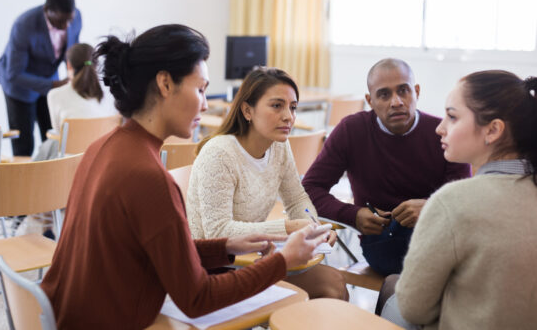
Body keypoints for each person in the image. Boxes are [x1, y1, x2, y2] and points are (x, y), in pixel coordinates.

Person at [40, 25, 326, 329]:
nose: (204, 103)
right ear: (165, 83)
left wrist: (227, 247)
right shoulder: (148, 177)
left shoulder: (104, 148)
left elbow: (159, 253)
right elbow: (197, 298)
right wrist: (282, 261)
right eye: (200, 89)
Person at [380, 70, 537, 330]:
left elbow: (413, 308)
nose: (440, 128)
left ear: (493, 130)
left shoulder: (451, 202)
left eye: (452, 117)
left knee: (394, 297)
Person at [187, 67, 348, 300]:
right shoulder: (219, 153)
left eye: (293, 107)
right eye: (277, 105)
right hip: (216, 267)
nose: (288, 116)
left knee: (335, 281)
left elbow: (297, 200)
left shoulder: (279, 145)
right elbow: (217, 233)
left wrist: (313, 227)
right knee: (330, 287)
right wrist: (287, 228)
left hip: (253, 255)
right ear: (247, 110)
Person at [302, 58, 471, 275]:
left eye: (403, 91)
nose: (396, 102)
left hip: (439, 235)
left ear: (416, 92)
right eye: (384, 94)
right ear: (369, 100)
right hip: (382, 243)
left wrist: (431, 208)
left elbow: (465, 199)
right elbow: (309, 189)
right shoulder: (351, 130)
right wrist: (353, 215)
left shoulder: (443, 132)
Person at [0, 0, 81, 156]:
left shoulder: (76, 17)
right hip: (19, 86)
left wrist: (77, 72)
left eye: (70, 20)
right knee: (24, 145)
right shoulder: (23, 25)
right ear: (47, 11)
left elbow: (72, 50)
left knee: (53, 139)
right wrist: (54, 85)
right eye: (61, 21)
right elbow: (14, 73)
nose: (67, 26)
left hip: (50, 82)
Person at [33, 43, 115, 161]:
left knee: (48, 146)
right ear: (96, 66)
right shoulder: (109, 95)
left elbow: (58, 133)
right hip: (100, 161)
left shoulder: (55, 95)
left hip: (68, 164)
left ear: (69, 65)